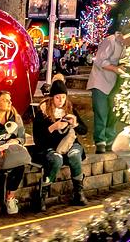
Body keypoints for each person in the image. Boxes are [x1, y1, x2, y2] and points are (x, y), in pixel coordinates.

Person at [32, 79, 88, 208]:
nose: (61, 100)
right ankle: (42, 194)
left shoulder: (69, 110)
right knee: (56, 160)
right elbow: (38, 139)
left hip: (69, 144)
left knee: (75, 155)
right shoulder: (43, 113)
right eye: (58, 97)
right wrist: (52, 128)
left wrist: (75, 124)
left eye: (63, 97)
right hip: (49, 147)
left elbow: (84, 130)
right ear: (52, 98)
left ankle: (78, 192)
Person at [87, 30, 130, 153]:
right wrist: (116, 69)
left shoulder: (125, 47)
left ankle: (109, 138)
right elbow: (100, 61)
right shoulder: (110, 41)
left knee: (113, 111)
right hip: (100, 82)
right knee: (101, 111)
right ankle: (100, 141)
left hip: (114, 83)